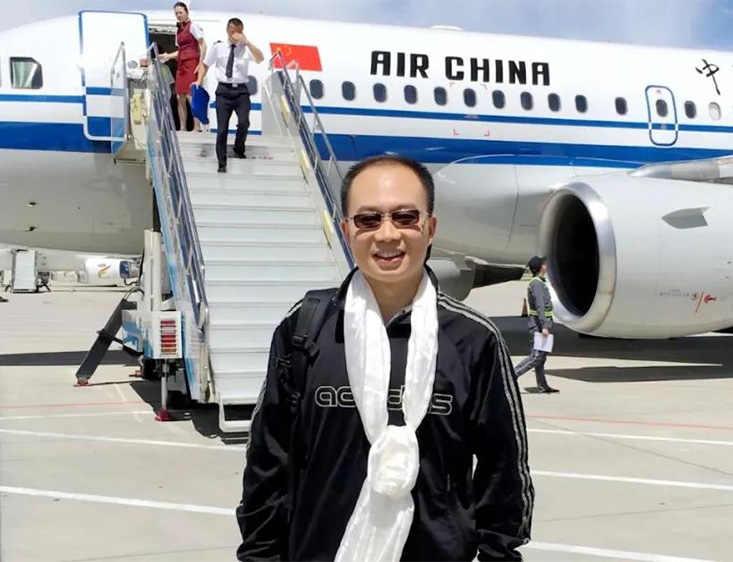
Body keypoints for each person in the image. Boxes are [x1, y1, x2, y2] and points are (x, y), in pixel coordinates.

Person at [237, 155, 533, 561]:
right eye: (368, 220)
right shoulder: (304, 329)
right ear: (346, 231)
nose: (388, 234)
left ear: (430, 228)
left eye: (405, 217)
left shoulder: (474, 339)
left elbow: (504, 472)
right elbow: (267, 462)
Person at [196, 17, 264, 173]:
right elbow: (205, 64)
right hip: (224, 91)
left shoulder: (246, 48)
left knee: (244, 122)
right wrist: (199, 80)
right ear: (227, 31)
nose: (235, 35)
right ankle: (222, 163)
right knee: (222, 128)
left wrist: (247, 42)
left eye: (238, 32)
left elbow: (260, 58)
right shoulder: (218, 47)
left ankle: (239, 149)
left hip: (241, 92)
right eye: (233, 31)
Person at [157, 2, 206, 132]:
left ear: (186, 12)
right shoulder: (179, 30)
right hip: (181, 65)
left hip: (191, 63)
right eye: (176, 13)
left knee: (191, 95)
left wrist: (201, 62)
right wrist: (166, 56)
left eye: (180, 12)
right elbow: (179, 51)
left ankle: (196, 126)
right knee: (180, 97)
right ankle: (182, 127)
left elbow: (203, 45)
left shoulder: (193, 26)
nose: (178, 15)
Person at [514, 256, 559, 394]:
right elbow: (540, 305)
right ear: (541, 267)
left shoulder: (539, 282)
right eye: (544, 264)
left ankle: (542, 386)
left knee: (541, 358)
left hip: (542, 323)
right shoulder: (537, 284)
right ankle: (511, 376)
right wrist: (545, 326)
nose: (546, 266)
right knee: (536, 356)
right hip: (539, 325)